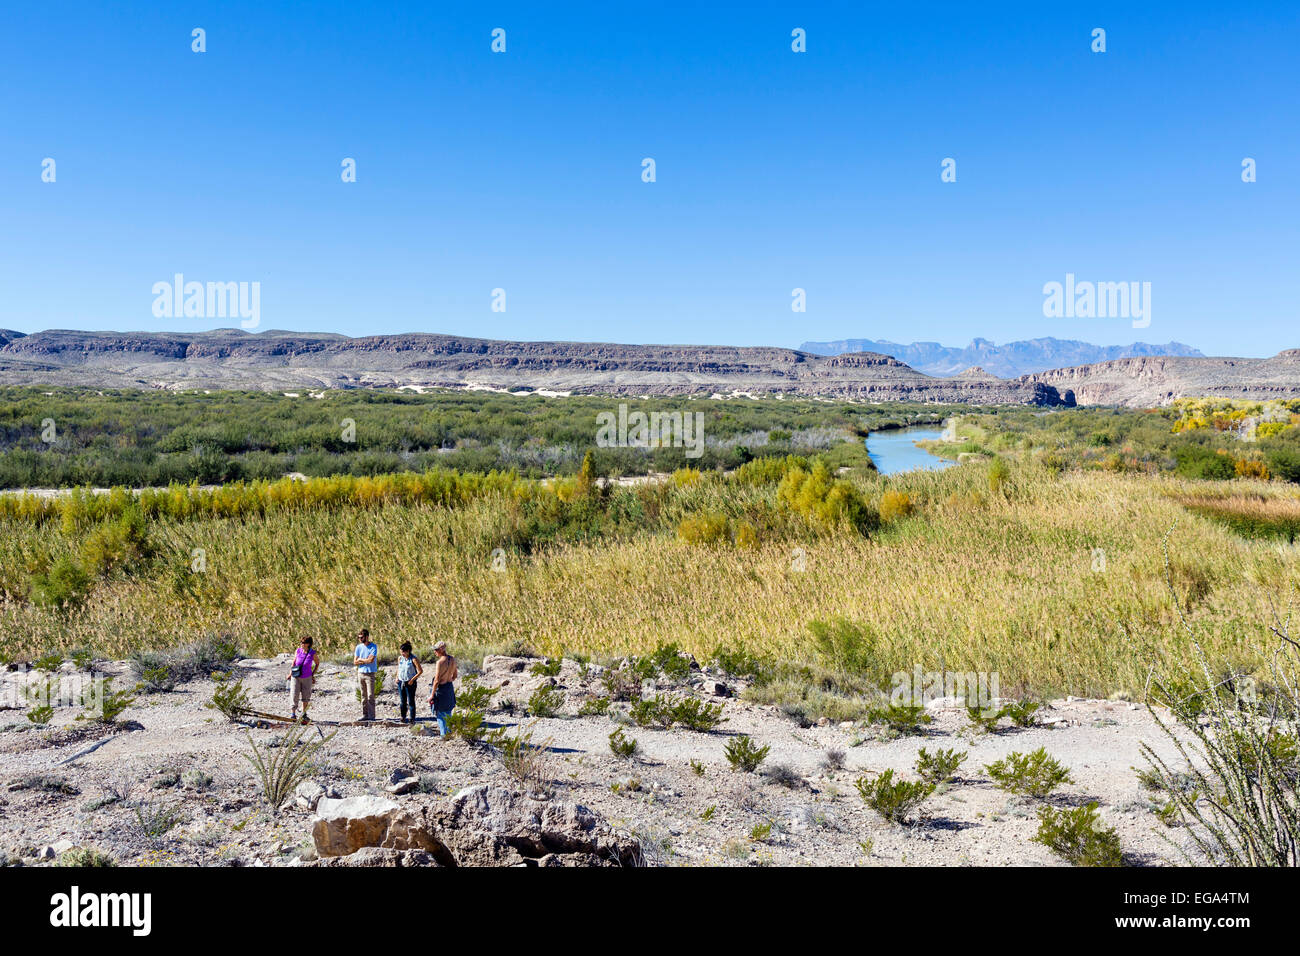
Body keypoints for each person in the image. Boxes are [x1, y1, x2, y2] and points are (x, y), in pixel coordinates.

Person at [426, 641, 458, 736]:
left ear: (441, 650)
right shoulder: (452, 659)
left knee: (440, 714)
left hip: (441, 690)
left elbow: (436, 680)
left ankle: (444, 736)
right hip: (449, 687)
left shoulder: (439, 662)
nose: (434, 652)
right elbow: (455, 675)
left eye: (436, 650)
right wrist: (448, 678)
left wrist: (431, 695)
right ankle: (449, 734)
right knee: (448, 713)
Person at [287, 636, 318, 723]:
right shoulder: (298, 651)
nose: (301, 644)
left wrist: (312, 674)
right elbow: (294, 662)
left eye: (303, 643)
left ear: (308, 644)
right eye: (301, 642)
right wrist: (290, 673)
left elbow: (317, 663)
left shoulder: (312, 653)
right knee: (294, 694)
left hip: (307, 677)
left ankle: (304, 714)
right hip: (296, 676)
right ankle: (293, 714)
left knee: (306, 695)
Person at [353, 628, 379, 720]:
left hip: (370, 673)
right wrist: (364, 660)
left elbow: (371, 660)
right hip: (361, 673)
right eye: (359, 637)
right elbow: (355, 661)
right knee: (363, 695)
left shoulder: (373, 646)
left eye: (362, 637)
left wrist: (361, 660)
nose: (360, 639)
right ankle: (365, 714)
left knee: (370, 695)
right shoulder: (358, 647)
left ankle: (372, 716)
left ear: (367, 637)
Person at [395, 642, 423, 724]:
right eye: (401, 652)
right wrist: (397, 677)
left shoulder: (413, 659)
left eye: (403, 652)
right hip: (401, 682)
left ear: (408, 651)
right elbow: (399, 668)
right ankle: (403, 716)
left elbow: (420, 671)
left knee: (411, 701)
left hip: (410, 683)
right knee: (402, 701)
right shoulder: (400, 658)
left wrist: (412, 680)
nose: (402, 654)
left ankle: (412, 718)